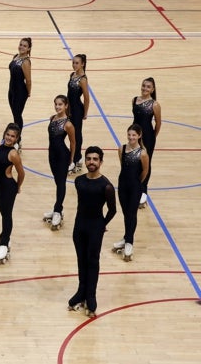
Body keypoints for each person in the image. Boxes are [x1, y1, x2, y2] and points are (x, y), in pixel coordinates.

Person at [67, 146, 117, 318]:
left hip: (95, 227)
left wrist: (102, 224)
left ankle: (91, 295)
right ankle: (81, 291)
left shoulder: (107, 186)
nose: (91, 162)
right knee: (81, 260)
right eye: (89, 159)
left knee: (93, 261)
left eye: (95, 159)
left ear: (101, 162)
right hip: (79, 227)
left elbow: (112, 210)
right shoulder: (79, 181)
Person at [0, 123, 25, 264]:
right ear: (4, 134)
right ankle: (3, 239)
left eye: (13, 136)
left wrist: (18, 187)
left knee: (7, 215)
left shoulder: (13, 154)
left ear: (16, 139)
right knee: (4, 214)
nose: (9, 138)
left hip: (8, 187)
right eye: (8, 135)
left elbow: (21, 173)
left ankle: (4, 243)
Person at [113, 124, 149, 261]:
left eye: (134, 135)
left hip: (135, 187)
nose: (131, 137)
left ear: (139, 136)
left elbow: (144, 172)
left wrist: (136, 183)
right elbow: (123, 166)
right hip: (122, 185)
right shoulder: (121, 149)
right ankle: (126, 237)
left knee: (131, 214)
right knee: (125, 213)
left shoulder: (143, 153)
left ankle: (129, 242)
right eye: (129, 134)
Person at [44, 95, 76, 230]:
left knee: (61, 183)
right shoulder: (52, 118)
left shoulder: (68, 124)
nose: (58, 107)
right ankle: (57, 207)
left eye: (60, 104)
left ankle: (58, 210)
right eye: (56, 104)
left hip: (62, 155)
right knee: (58, 182)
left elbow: (73, 142)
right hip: (52, 155)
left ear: (66, 106)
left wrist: (71, 160)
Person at [132, 77, 161, 207]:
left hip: (148, 137)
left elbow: (158, 123)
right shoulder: (134, 100)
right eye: (144, 85)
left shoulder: (154, 104)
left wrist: (152, 136)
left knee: (146, 163)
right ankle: (135, 187)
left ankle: (143, 191)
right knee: (135, 161)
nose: (145, 88)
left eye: (148, 87)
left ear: (152, 89)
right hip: (134, 136)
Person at [7, 37, 31, 149]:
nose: (21, 47)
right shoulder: (15, 57)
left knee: (17, 116)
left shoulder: (26, 61)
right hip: (11, 90)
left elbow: (28, 80)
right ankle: (15, 137)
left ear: (28, 48)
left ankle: (17, 140)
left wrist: (28, 92)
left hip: (20, 92)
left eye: (25, 46)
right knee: (15, 115)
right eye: (21, 44)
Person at [67, 54, 89, 173]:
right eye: (73, 62)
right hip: (69, 109)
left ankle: (76, 158)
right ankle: (73, 157)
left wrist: (85, 113)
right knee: (70, 135)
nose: (74, 65)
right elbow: (68, 94)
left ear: (82, 64)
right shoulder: (72, 75)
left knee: (76, 135)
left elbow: (86, 97)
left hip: (77, 110)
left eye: (77, 63)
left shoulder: (83, 79)